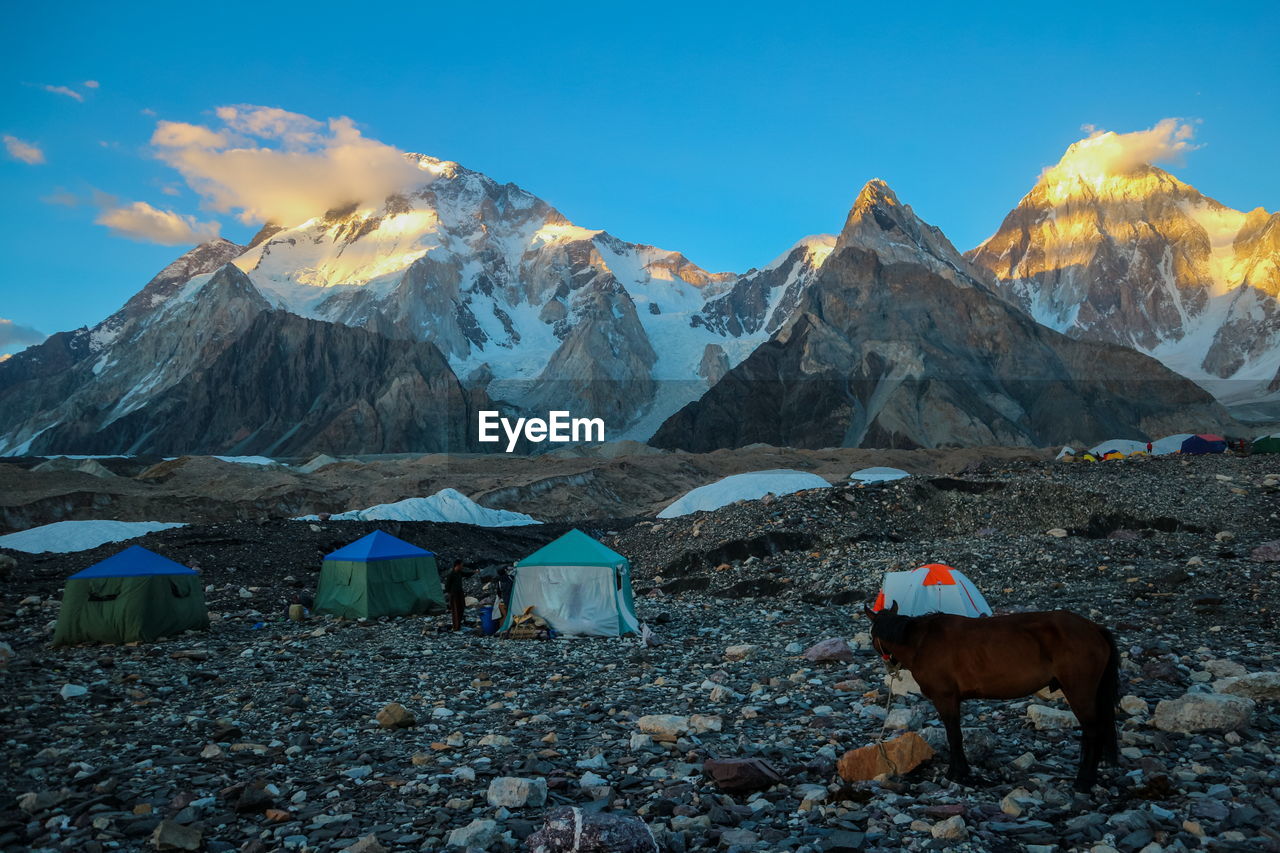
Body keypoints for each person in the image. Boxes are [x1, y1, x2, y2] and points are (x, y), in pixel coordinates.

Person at [445, 559, 466, 631]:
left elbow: (466, 574)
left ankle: (459, 625)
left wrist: (474, 572)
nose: (462, 566)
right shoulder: (451, 574)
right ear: (458, 565)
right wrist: (450, 593)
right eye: (461, 564)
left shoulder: (459, 572)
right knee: (456, 610)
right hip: (454, 594)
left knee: (461, 608)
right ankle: (456, 627)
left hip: (460, 592)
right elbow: (447, 585)